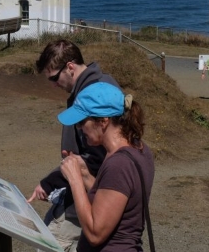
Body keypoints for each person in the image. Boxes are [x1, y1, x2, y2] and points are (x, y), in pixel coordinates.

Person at [27, 39, 120, 252]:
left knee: (51, 243)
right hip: (80, 188)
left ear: (70, 67)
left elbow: (96, 156)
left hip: (89, 193)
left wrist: (51, 182)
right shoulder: (102, 83)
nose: (53, 85)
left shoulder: (91, 93)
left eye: (54, 78)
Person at [58, 82, 155, 251]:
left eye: (81, 122)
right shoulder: (139, 149)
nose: (79, 128)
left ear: (103, 121)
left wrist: (75, 180)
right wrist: (86, 176)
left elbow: (96, 233)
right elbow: (115, 197)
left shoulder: (119, 164)